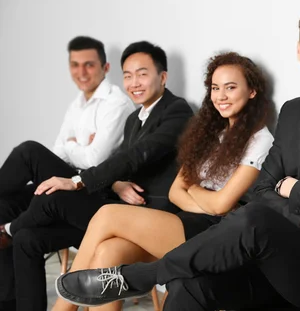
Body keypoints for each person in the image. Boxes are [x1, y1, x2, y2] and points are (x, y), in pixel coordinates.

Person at [55, 5, 300, 311]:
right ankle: (147, 276)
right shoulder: (295, 112)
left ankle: (143, 276)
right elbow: (266, 189)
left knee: (254, 218)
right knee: (190, 286)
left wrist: (288, 187)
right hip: (285, 252)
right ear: (298, 52)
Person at [51, 51, 274, 311]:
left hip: (216, 234)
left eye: (230, 87)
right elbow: (176, 193)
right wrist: (200, 195)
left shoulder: (260, 140)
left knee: (107, 214)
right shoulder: (212, 134)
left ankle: (62, 308)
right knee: (109, 251)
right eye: (215, 88)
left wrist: (194, 189)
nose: (221, 96)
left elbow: (220, 206)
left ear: (252, 92)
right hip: (188, 221)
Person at [1, 41, 194, 311]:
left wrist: (76, 180)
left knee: (44, 186)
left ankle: (8, 230)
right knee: (28, 238)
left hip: (147, 216)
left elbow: (137, 155)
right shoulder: (134, 119)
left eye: (142, 73)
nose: (134, 82)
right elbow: (123, 165)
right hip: (117, 207)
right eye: (127, 75)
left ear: (162, 77)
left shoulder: (177, 111)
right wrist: (116, 182)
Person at [0, 35, 134, 311]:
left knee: (29, 152)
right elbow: (60, 152)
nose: (81, 72)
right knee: (7, 211)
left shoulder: (115, 103)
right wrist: (80, 147)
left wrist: (75, 147)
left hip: (95, 195)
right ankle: (8, 302)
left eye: (89, 65)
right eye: (75, 65)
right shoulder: (77, 105)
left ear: (105, 68)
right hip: (70, 189)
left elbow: (95, 160)